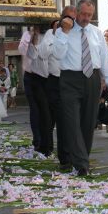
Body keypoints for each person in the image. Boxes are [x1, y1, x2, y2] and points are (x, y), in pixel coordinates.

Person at [53, 0, 108, 175]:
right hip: (69, 79)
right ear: (76, 12)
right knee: (72, 122)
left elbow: (105, 60)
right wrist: (64, 33)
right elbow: (57, 54)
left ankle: (82, 160)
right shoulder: (63, 31)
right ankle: (82, 164)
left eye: (90, 15)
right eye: (83, 14)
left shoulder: (96, 33)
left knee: (88, 123)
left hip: (92, 79)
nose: (86, 18)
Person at [40, 14, 72, 168]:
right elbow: (43, 54)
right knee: (60, 120)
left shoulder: (77, 35)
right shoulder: (49, 35)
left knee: (72, 120)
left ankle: (73, 153)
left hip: (73, 80)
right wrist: (54, 37)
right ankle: (64, 157)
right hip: (56, 80)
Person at [19, 25, 49, 153]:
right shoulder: (27, 34)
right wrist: (32, 37)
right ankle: (37, 139)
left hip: (46, 77)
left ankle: (46, 141)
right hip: (31, 77)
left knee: (46, 111)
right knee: (35, 110)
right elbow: (21, 50)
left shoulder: (50, 35)